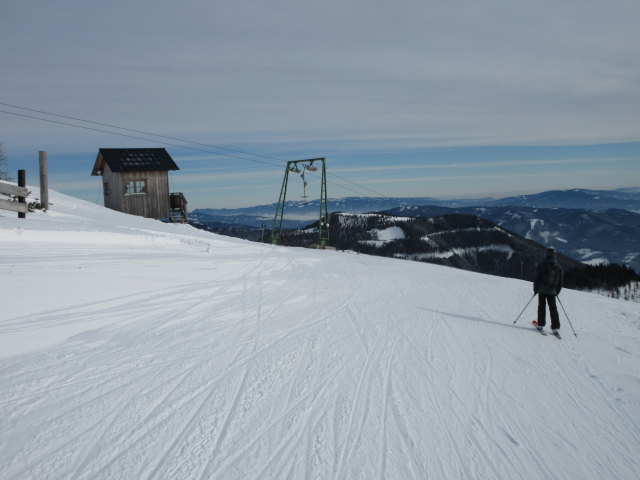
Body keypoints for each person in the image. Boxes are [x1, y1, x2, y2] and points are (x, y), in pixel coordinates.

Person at [533, 247, 563, 335]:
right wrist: (557, 292)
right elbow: (560, 282)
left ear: (546, 254)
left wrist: (535, 290)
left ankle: (541, 325)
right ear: (554, 255)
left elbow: (537, 278)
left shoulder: (541, 265)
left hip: (542, 290)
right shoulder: (558, 267)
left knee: (541, 307)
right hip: (552, 291)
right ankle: (555, 327)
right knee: (553, 308)